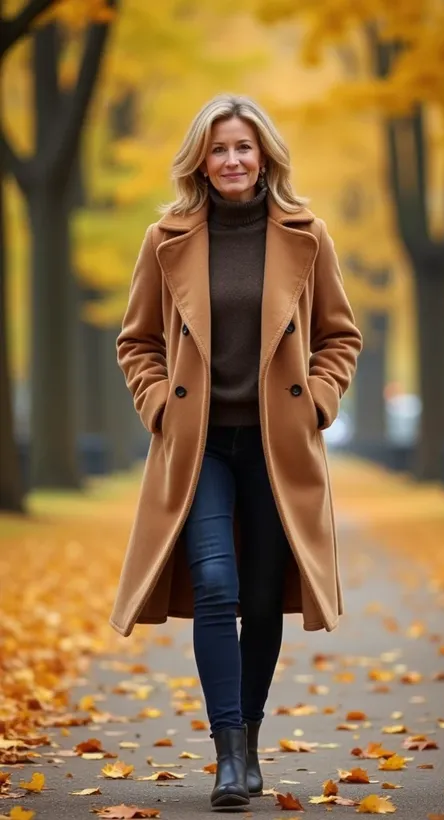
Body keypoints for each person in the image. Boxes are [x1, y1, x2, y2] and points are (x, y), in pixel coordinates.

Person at [110, 93, 363, 812]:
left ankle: (250, 740)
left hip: (276, 445)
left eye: (243, 148)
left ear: (265, 157)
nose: (230, 160)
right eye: (218, 148)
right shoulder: (166, 237)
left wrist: (317, 399)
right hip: (198, 448)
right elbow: (136, 341)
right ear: (201, 159)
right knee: (216, 583)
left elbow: (340, 335)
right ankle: (227, 754)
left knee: (259, 595)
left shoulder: (308, 235)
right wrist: (158, 405)